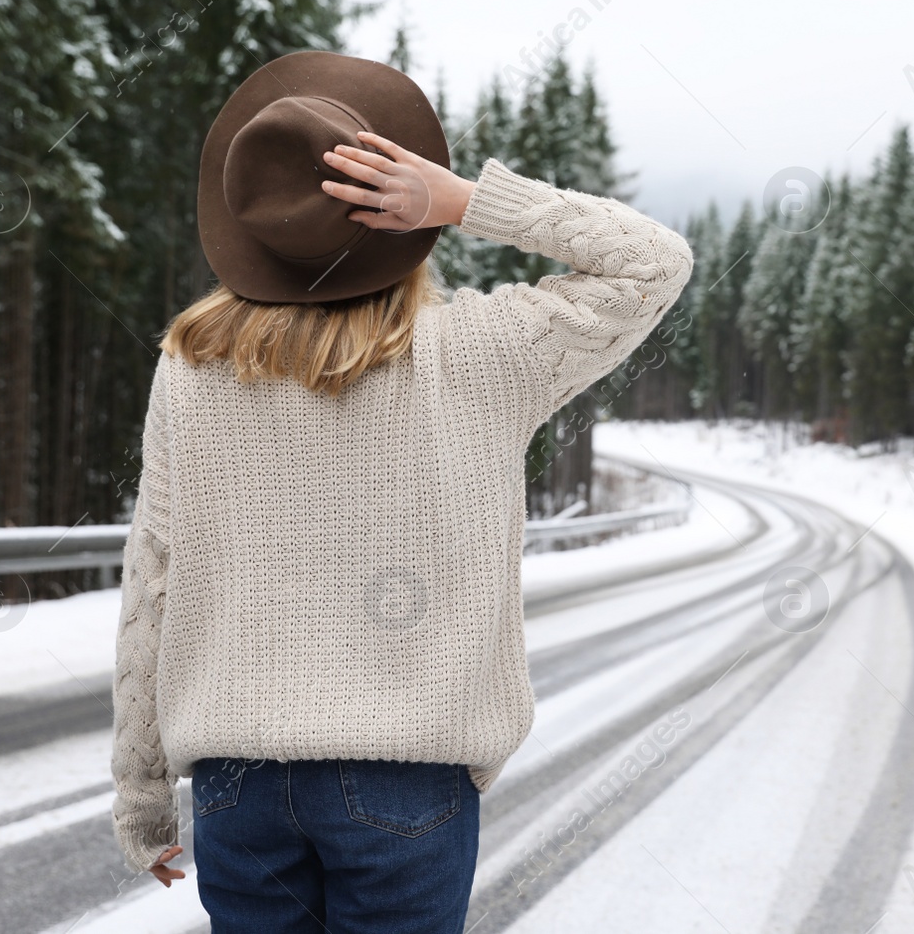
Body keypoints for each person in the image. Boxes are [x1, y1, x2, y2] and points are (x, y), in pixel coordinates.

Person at [109, 52, 693, 934]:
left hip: (239, 782)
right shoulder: (488, 350)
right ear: (396, 216)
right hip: (406, 776)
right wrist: (461, 200)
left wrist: (143, 790)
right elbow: (654, 261)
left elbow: (152, 574)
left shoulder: (193, 367)